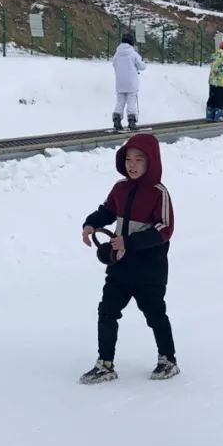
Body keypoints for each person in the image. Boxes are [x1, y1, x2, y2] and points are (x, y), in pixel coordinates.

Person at [80, 133, 179, 383]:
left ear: (151, 163)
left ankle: (168, 359)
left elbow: (165, 229)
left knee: (155, 313)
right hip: (120, 265)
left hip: (149, 269)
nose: (132, 165)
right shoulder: (120, 188)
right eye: (128, 159)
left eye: (138, 159)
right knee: (107, 310)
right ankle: (105, 364)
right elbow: (107, 211)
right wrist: (91, 224)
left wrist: (130, 242)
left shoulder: (159, 193)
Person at [112, 32, 145, 131]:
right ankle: (131, 121)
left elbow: (114, 64)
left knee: (120, 102)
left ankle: (116, 119)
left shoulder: (117, 53)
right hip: (131, 83)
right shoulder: (133, 53)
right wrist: (144, 64)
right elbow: (141, 66)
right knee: (131, 102)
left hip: (120, 82)